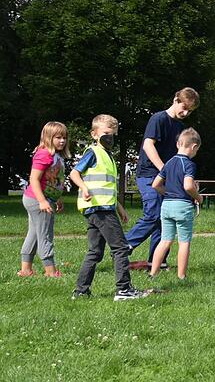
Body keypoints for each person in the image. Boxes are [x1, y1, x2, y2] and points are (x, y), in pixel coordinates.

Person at [69, 114, 147, 301]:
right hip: (100, 210)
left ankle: (80, 291)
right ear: (94, 134)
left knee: (95, 252)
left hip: (100, 208)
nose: (109, 137)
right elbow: (74, 173)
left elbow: (107, 187)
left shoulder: (107, 156)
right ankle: (124, 290)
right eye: (106, 133)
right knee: (120, 248)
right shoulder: (93, 152)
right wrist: (84, 188)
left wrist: (119, 208)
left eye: (113, 134)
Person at [125, 87, 199, 270]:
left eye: (189, 111)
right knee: (153, 213)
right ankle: (123, 246)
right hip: (148, 174)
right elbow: (148, 146)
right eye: (184, 107)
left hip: (166, 177)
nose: (185, 113)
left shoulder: (180, 127)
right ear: (175, 99)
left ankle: (156, 261)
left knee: (163, 217)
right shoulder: (158, 119)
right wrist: (164, 170)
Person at [148, 128, 203, 280]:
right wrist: (199, 198)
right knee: (184, 242)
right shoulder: (189, 164)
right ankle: (181, 276)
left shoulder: (169, 163)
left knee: (165, 240)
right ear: (194, 147)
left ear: (178, 144)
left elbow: (155, 184)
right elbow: (188, 186)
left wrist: (168, 193)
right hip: (183, 207)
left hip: (166, 205)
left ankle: (153, 273)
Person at [18, 122, 71, 278]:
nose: (62, 141)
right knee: (45, 235)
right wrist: (42, 201)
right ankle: (50, 271)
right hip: (37, 200)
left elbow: (55, 181)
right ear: (48, 137)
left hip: (43, 199)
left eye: (64, 137)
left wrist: (58, 198)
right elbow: (34, 179)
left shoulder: (55, 155)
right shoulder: (44, 154)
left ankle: (25, 270)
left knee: (34, 234)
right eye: (58, 137)